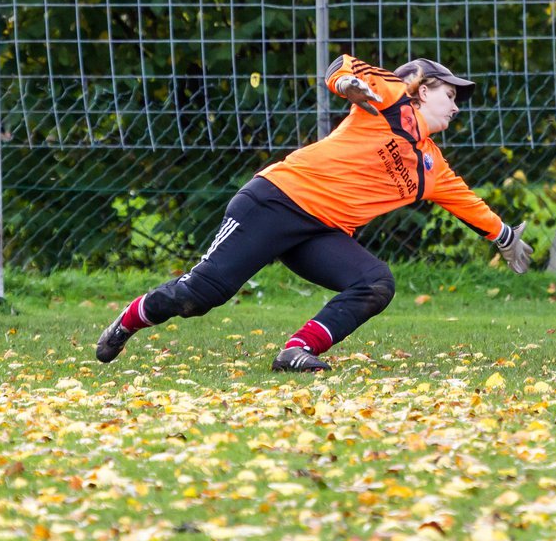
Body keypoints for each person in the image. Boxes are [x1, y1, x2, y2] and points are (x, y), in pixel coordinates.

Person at [96, 55, 534, 372]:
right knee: (201, 296)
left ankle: (296, 351)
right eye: (450, 94)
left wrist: (506, 239)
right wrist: (349, 86)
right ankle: (131, 317)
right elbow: (342, 67)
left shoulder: (430, 164)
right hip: (275, 201)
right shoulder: (391, 99)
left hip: (319, 232)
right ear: (421, 89)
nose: (456, 106)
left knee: (375, 283)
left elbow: (468, 203)